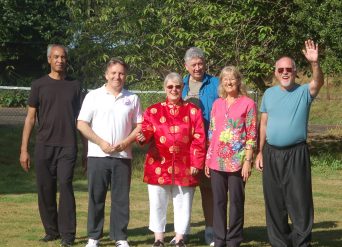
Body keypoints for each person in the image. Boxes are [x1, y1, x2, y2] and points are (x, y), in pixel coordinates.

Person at [255, 40, 324, 247]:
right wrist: (260, 152)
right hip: (271, 154)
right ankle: (280, 242)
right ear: (276, 73)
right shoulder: (269, 94)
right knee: (274, 201)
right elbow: (264, 124)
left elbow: (318, 82)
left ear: (295, 72)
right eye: (281, 70)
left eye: (289, 69)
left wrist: (314, 63)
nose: (285, 73)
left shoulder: (304, 92)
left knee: (299, 200)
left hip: (296, 154)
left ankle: (301, 242)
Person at [19, 44, 84, 247]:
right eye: (56, 57)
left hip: (68, 146)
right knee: (45, 188)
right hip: (44, 146)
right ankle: (51, 231)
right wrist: (24, 150)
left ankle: (68, 235)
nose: (60, 60)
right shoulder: (38, 85)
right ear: (49, 59)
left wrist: (86, 149)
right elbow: (30, 119)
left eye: (63, 57)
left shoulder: (75, 86)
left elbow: (81, 120)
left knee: (65, 186)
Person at [77, 58, 142, 247]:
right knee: (96, 197)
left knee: (121, 198)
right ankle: (94, 237)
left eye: (121, 73)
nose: (117, 77)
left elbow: (140, 125)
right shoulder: (93, 96)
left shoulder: (133, 98)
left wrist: (126, 142)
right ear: (106, 74)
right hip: (98, 155)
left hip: (123, 157)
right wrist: (100, 142)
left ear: (125, 76)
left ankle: (120, 237)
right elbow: (82, 124)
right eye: (113, 73)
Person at [136, 72, 206, 247]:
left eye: (177, 86)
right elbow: (146, 130)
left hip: (185, 165)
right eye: (170, 86)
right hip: (158, 164)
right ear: (164, 88)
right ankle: (158, 238)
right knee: (157, 201)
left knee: (183, 202)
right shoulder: (153, 110)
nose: (174, 89)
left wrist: (197, 162)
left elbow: (199, 138)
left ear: (182, 88)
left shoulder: (193, 111)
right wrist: (142, 136)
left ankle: (180, 237)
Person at [205, 66, 257, 247]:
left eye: (232, 78)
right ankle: (219, 239)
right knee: (218, 201)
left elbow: (251, 134)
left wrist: (248, 161)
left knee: (236, 201)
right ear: (221, 83)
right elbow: (212, 132)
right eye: (225, 79)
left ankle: (234, 239)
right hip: (216, 161)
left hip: (238, 162)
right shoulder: (217, 104)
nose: (229, 82)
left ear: (238, 81)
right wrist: (207, 158)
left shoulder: (248, 103)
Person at [182, 47, 219, 246]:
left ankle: (210, 231)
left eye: (200, 63)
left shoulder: (216, 84)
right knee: (184, 190)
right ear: (186, 66)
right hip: (184, 147)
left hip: (209, 145)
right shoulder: (180, 85)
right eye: (193, 64)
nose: (197, 68)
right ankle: (182, 231)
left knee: (208, 190)